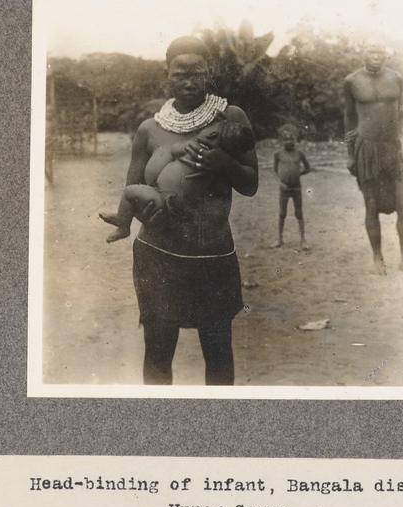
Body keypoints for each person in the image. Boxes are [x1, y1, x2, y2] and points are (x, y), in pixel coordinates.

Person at [108, 36, 258, 386]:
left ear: (209, 75)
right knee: (158, 350)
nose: (188, 81)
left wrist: (222, 161)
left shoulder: (231, 118)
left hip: (213, 253)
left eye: (197, 73)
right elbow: (133, 190)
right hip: (158, 255)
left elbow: (250, 185)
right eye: (180, 74)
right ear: (167, 76)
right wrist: (136, 218)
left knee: (218, 350)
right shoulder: (149, 130)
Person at [99, 113, 254, 242]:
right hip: (170, 201)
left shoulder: (198, 150)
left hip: (165, 199)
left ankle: (123, 225)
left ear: (212, 134)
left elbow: (174, 149)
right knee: (133, 192)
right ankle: (123, 221)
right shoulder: (211, 159)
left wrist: (183, 146)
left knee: (129, 192)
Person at [343, 46, 403, 272]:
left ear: (385, 55)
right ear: (364, 55)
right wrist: (351, 154)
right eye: (371, 53)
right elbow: (349, 118)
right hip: (367, 149)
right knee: (371, 205)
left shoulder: (396, 78)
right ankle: (377, 258)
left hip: (393, 148)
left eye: (379, 53)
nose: (375, 57)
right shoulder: (352, 81)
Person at [271, 123, 311, 250]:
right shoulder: (278, 154)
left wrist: (297, 174)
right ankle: (279, 239)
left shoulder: (299, 154)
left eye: (292, 139)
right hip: (284, 189)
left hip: (296, 188)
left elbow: (308, 168)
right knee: (282, 213)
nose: (289, 141)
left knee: (299, 213)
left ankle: (303, 240)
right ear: (282, 141)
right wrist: (280, 182)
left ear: (295, 140)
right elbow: (274, 171)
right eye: (286, 139)